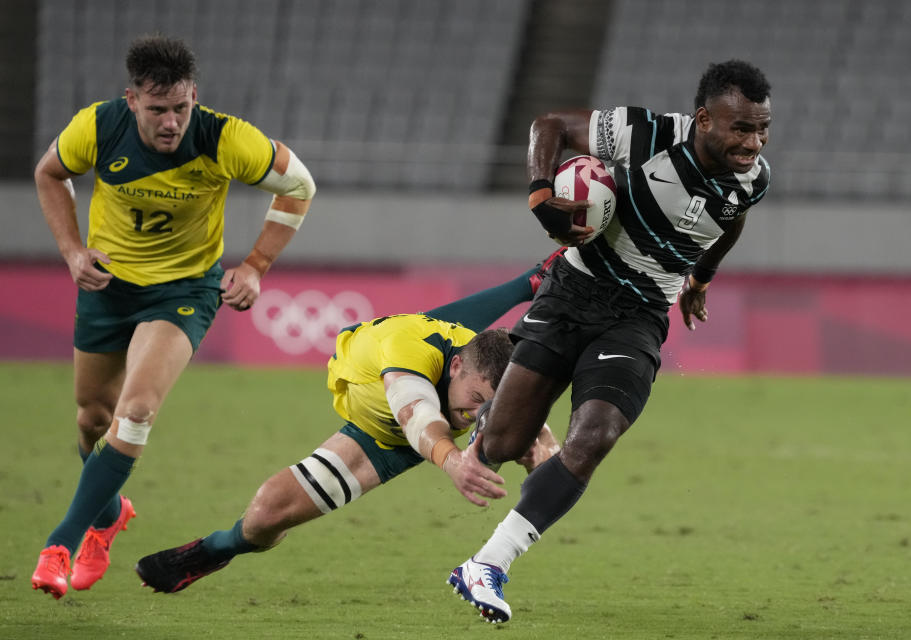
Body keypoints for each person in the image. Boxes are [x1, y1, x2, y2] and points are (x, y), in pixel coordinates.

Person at [447, 59, 772, 623]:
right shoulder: (644, 133)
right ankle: (490, 409)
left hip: (640, 316)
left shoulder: (754, 177)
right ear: (703, 119)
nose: (754, 142)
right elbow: (548, 124)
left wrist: (700, 277)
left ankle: (488, 563)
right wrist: (540, 194)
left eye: (763, 128)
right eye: (741, 128)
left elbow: (732, 217)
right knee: (498, 447)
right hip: (573, 290)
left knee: (595, 433)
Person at [30, 34, 317, 600]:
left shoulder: (225, 137)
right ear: (132, 99)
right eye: (158, 110)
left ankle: (61, 540)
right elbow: (49, 173)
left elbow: (299, 186)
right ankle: (110, 516)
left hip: (183, 291)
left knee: (135, 412)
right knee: (93, 419)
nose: (171, 122)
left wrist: (256, 264)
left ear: (194, 98)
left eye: (181, 108)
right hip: (108, 286)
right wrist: (71, 251)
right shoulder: (96, 126)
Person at [133, 261, 563, 593]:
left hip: (406, 428)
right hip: (388, 425)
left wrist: (540, 460)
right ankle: (219, 549)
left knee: (477, 379)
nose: (476, 415)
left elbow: (537, 440)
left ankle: (530, 282)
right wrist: (452, 463)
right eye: (475, 401)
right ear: (455, 369)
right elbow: (415, 412)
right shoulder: (409, 351)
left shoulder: (478, 369)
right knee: (265, 516)